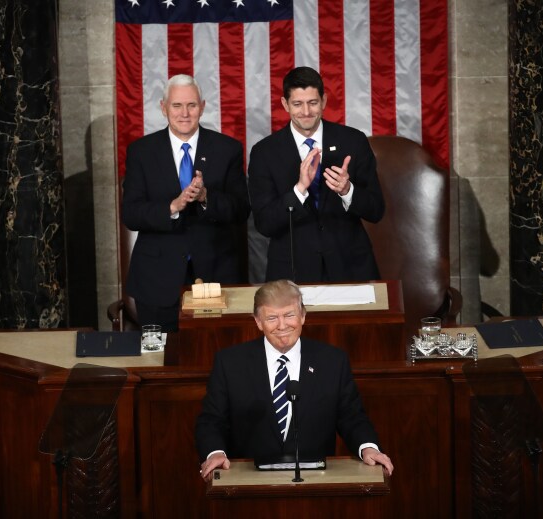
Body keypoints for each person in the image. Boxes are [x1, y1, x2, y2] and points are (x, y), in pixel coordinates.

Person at [196, 279, 394, 481]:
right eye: (272, 317)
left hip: (316, 481)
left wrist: (368, 447)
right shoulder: (230, 363)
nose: (282, 326)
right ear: (258, 322)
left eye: (289, 315)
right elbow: (212, 420)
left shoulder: (332, 361)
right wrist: (215, 452)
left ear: (302, 316)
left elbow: (352, 417)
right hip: (250, 483)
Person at [122, 74, 250, 331]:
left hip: (216, 274)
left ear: (202, 107)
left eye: (191, 105)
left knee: (214, 359)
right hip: (157, 279)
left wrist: (206, 198)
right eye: (176, 106)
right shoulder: (141, 152)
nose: (184, 113)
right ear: (163, 107)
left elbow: (241, 209)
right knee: (160, 361)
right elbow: (131, 213)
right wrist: (172, 207)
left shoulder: (228, 149)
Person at [248, 66, 385, 283]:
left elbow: (376, 210)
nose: (306, 111)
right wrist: (299, 190)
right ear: (285, 104)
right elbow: (264, 224)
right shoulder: (264, 152)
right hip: (292, 274)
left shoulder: (353, 141)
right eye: (297, 104)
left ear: (324, 101)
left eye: (312, 103)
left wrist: (348, 191)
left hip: (350, 267)